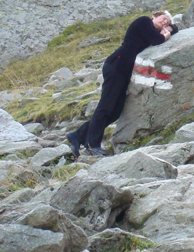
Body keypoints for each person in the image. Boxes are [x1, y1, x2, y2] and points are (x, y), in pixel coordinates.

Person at [66, 11, 178, 157]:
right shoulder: (144, 21)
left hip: (124, 71)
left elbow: (174, 29)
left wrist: (169, 28)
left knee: (115, 111)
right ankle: (92, 145)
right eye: (163, 19)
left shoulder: (152, 30)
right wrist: (166, 33)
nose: (165, 23)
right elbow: (158, 39)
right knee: (106, 106)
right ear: (154, 16)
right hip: (116, 66)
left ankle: (78, 135)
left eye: (167, 22)